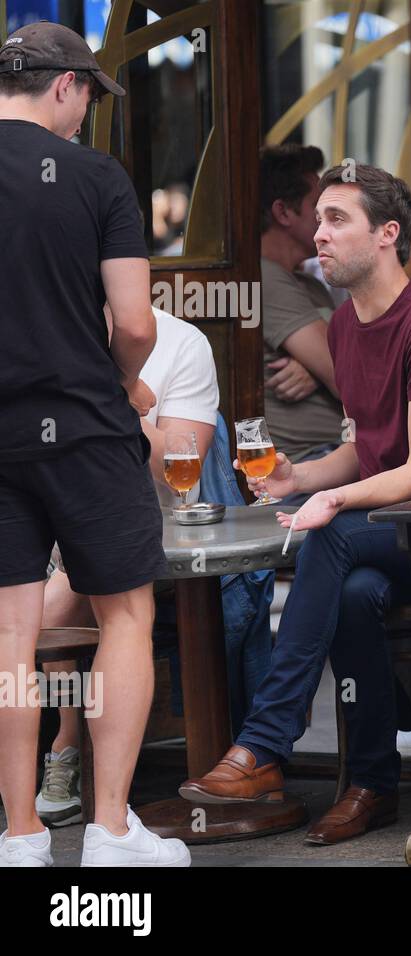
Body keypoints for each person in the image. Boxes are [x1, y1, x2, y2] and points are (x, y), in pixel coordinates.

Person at [178, 164, 411, 845]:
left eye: (337, 221)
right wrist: (299, 477)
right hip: (399, 532)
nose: (317, 237)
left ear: (387, 235)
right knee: (354, 592)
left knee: (332, 540)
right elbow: (368, 449)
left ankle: (265, 742)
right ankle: (371, 785)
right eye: (318, 219)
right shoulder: (346, 328)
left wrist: (332, 500)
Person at [0, 20, 189, 867]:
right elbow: (140, 325)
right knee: (125, 615)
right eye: (87, 100)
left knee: (9, 636)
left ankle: (21, 835)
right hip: (84, 425)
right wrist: (115, 378)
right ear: (67, 87)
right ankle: (111, 832)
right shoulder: (95, 176)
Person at [37, 306, 219, 828]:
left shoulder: (181, 341)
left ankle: (69, 748)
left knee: (57, 603)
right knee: (44, 598)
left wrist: (109, 400)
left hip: (156, 532)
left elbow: (182, 465)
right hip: (56, 531)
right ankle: (69, 752)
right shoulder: (46, 330)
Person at [259, 144, 346, 464]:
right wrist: (325, 367)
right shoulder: (264, 279)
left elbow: (344, 367)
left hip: (338, 456)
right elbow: (347, 378)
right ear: (283, 212)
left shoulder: (310, 283)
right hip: (306, 465)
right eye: (317, 206)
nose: (327, 218)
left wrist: (315, 367)